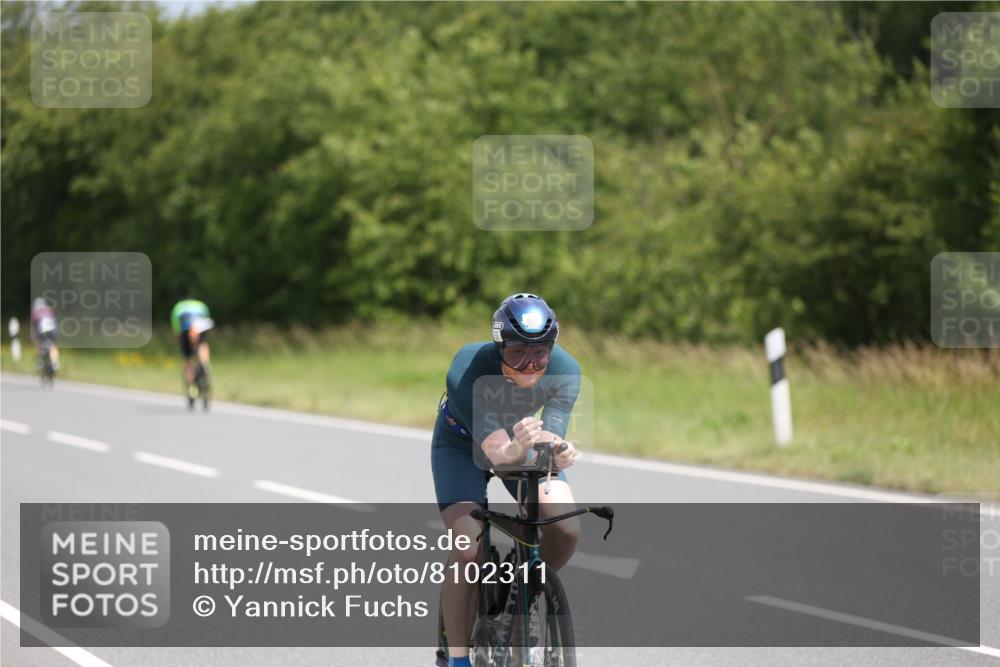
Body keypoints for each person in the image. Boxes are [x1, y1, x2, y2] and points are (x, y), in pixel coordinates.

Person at [433, 293, 581, 667]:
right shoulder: (468, 367)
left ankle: (525, 594)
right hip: (463, 446)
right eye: (516, 352)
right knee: (469, 546)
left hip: (520, 443)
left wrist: (558, 450)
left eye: (540, 352)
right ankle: (459, 658)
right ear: (499, 345)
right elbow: (497, 453)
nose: (530, 364)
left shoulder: (566, 371)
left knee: (564, 528)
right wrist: (524, 446)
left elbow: (549, 436)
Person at [170, 297, 212, 387]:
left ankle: (191, 383)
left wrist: (182, 343)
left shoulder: (178, 307)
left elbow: (177, 328)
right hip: (202, 325)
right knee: (202, 344)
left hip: (187, 327)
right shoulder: (200, 304)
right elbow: (207, 318)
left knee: (187, 356)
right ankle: (205, 364)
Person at [30, 297, 59, 372]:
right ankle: (55, 363)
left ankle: (40, 361)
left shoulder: (35, 312)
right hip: (53, 330)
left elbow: (34, 328)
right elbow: (55, 321)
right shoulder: (49, 310)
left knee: (39, 343)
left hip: (41, 331)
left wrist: (34, 338)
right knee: (53, 346)